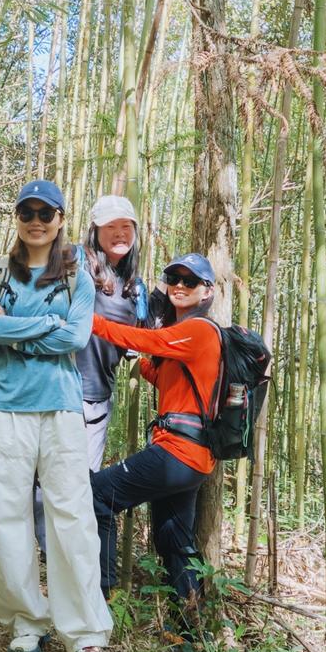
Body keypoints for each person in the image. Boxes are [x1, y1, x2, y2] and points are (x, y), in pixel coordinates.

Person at [0, 180, 113, 652]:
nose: (36, 220)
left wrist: (17, 330)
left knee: (72, 515)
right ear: (17, 217)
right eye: (27, 212)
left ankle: (86, 633)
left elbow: (76, 337)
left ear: (60, 219)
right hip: (2, 405)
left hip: (60, 405)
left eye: (46, 213)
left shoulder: (78, 277)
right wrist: (46, 327)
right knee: (9, 514)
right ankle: (26, 621)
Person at [87, 252, 221, 610]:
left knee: (98, 494)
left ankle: (101, 594)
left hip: (176, 453)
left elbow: (148, 341)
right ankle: (188, 632)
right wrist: (138, 360)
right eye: (173, 279)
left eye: (190, 281)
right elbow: (162, 378)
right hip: (195, 458)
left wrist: (91, 321)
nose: (179, 286)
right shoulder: (185, 338)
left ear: (207, 292)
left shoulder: (197, 330)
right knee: (174, 539)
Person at [33, 194, 147, 551]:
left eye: (125, 226)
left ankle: (69, 556)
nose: (118, 234)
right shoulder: (74, 261)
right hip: (60, 385)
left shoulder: (134, 286)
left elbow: (137, 341)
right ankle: (47, 555)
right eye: (110, 226)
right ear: (94, 230)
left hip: (99, 395)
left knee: (83, 483)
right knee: (46, 482)